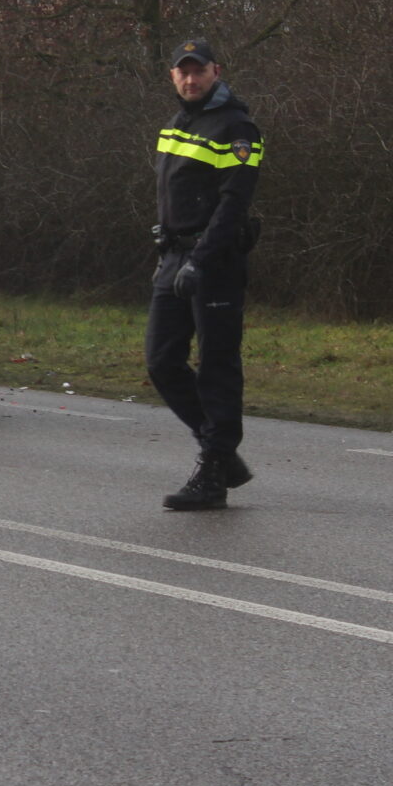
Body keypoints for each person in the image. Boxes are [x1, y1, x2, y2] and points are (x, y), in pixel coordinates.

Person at [147, 39, 263, 510]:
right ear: (172, 76)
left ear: (216, 71)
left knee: (217, 365)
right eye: (182, 72)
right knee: (161, 361)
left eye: (199, 71)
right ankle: (221, 451)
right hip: (174, 257)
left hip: (214, 261)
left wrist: (201, 259)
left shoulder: (238, 128)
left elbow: (234, 203)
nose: (190, 79)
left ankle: (213, 472)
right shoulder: (176, 123)